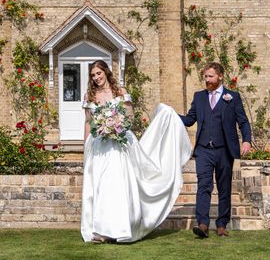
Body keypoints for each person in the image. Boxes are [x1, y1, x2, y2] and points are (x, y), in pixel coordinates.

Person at [81, 60, 192, 243]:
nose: (96, 78)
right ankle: (101, 230)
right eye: (93, 75)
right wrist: (86, 146)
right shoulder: (89, 96)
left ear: (106, 72)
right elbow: (87, 122)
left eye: (99, 73)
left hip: (120, 142)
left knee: (118, 184)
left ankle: (122, 228)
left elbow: (129, 117)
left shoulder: (120, 92)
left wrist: (116, 125)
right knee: (101, 186)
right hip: (100, 145)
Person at [179, 62, 251, 238]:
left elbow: (243, 121)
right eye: (205, 76)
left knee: (224, 188)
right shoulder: (199, 97)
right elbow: (189, 120)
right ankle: (202, 224)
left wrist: (247, 141)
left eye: (210, 76)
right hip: (203, 150)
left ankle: (221, 225)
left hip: (224, 150)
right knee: (204, 185)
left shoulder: (232, 97)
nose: (207, 80)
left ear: (220, 76)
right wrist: (170, 115)